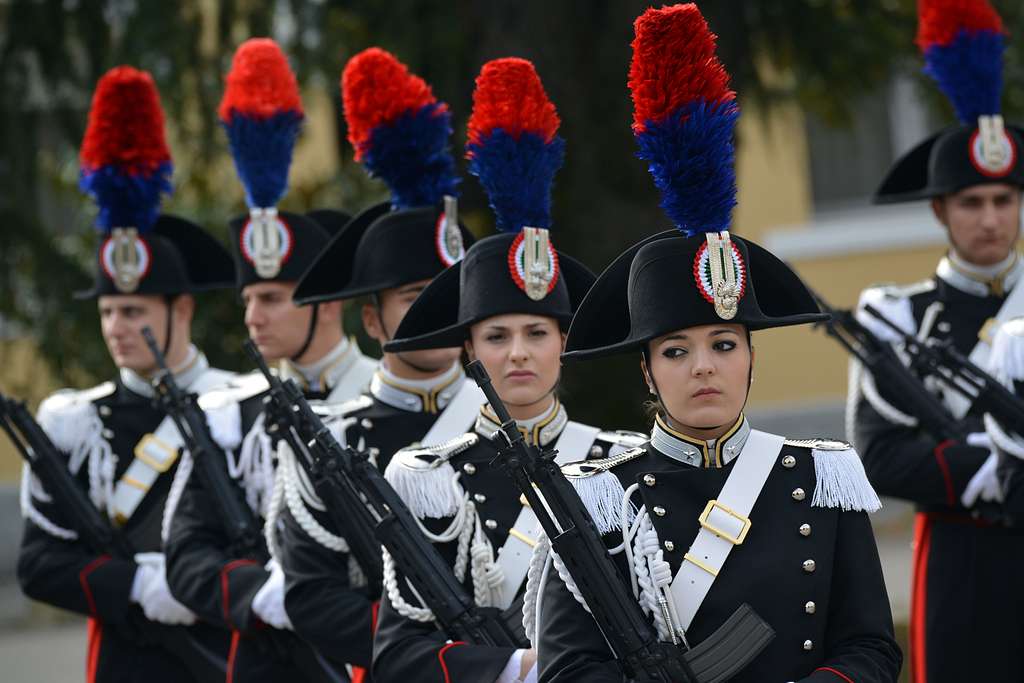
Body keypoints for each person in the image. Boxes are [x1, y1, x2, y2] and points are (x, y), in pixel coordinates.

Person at [533, 5, 901, 682]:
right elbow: (566, 670)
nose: (703, 366)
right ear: (645, 369)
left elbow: (872, 648)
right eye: (675, 350)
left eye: (724, 345)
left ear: (752, 355)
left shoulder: (819, 479)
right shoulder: (603, 498)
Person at [372, 57, 644, 683]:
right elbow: (398, 655)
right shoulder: (431, 479)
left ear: (563, 343)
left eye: (536, 333)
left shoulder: (623, 465)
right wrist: (515, 670)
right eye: (497, 335)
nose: (517, 352)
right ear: (470, 349)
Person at [162, 38, 372, 682]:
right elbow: (186, 556)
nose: (253, 315)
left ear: (326, 304)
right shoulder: (227, 417)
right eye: (248, 297)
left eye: (275, 298)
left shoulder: (380, 399)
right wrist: (261, 593)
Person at [16, 66, 235, 682]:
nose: (115, 326)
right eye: (108, 310)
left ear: (182, 309)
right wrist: (136, 584)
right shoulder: (77, 421)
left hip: (230, 652)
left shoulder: (236, 404)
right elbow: (40, 565)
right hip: (129, 662)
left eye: (133, 311)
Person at [272, 47, 478, 679]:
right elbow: (310, 594)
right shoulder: (330, 439)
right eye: (417, 299)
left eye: (452, 295)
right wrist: (433, 655)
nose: (439, 314)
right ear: (371, 320)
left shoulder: (512, 422)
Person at [849, 2, 1024, 680]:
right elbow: (881, 455)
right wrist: (991, 474)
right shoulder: (897, 317)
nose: (990, 220)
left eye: (1004, 200)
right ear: (939, 210)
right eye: (971, 202)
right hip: (966, 555)